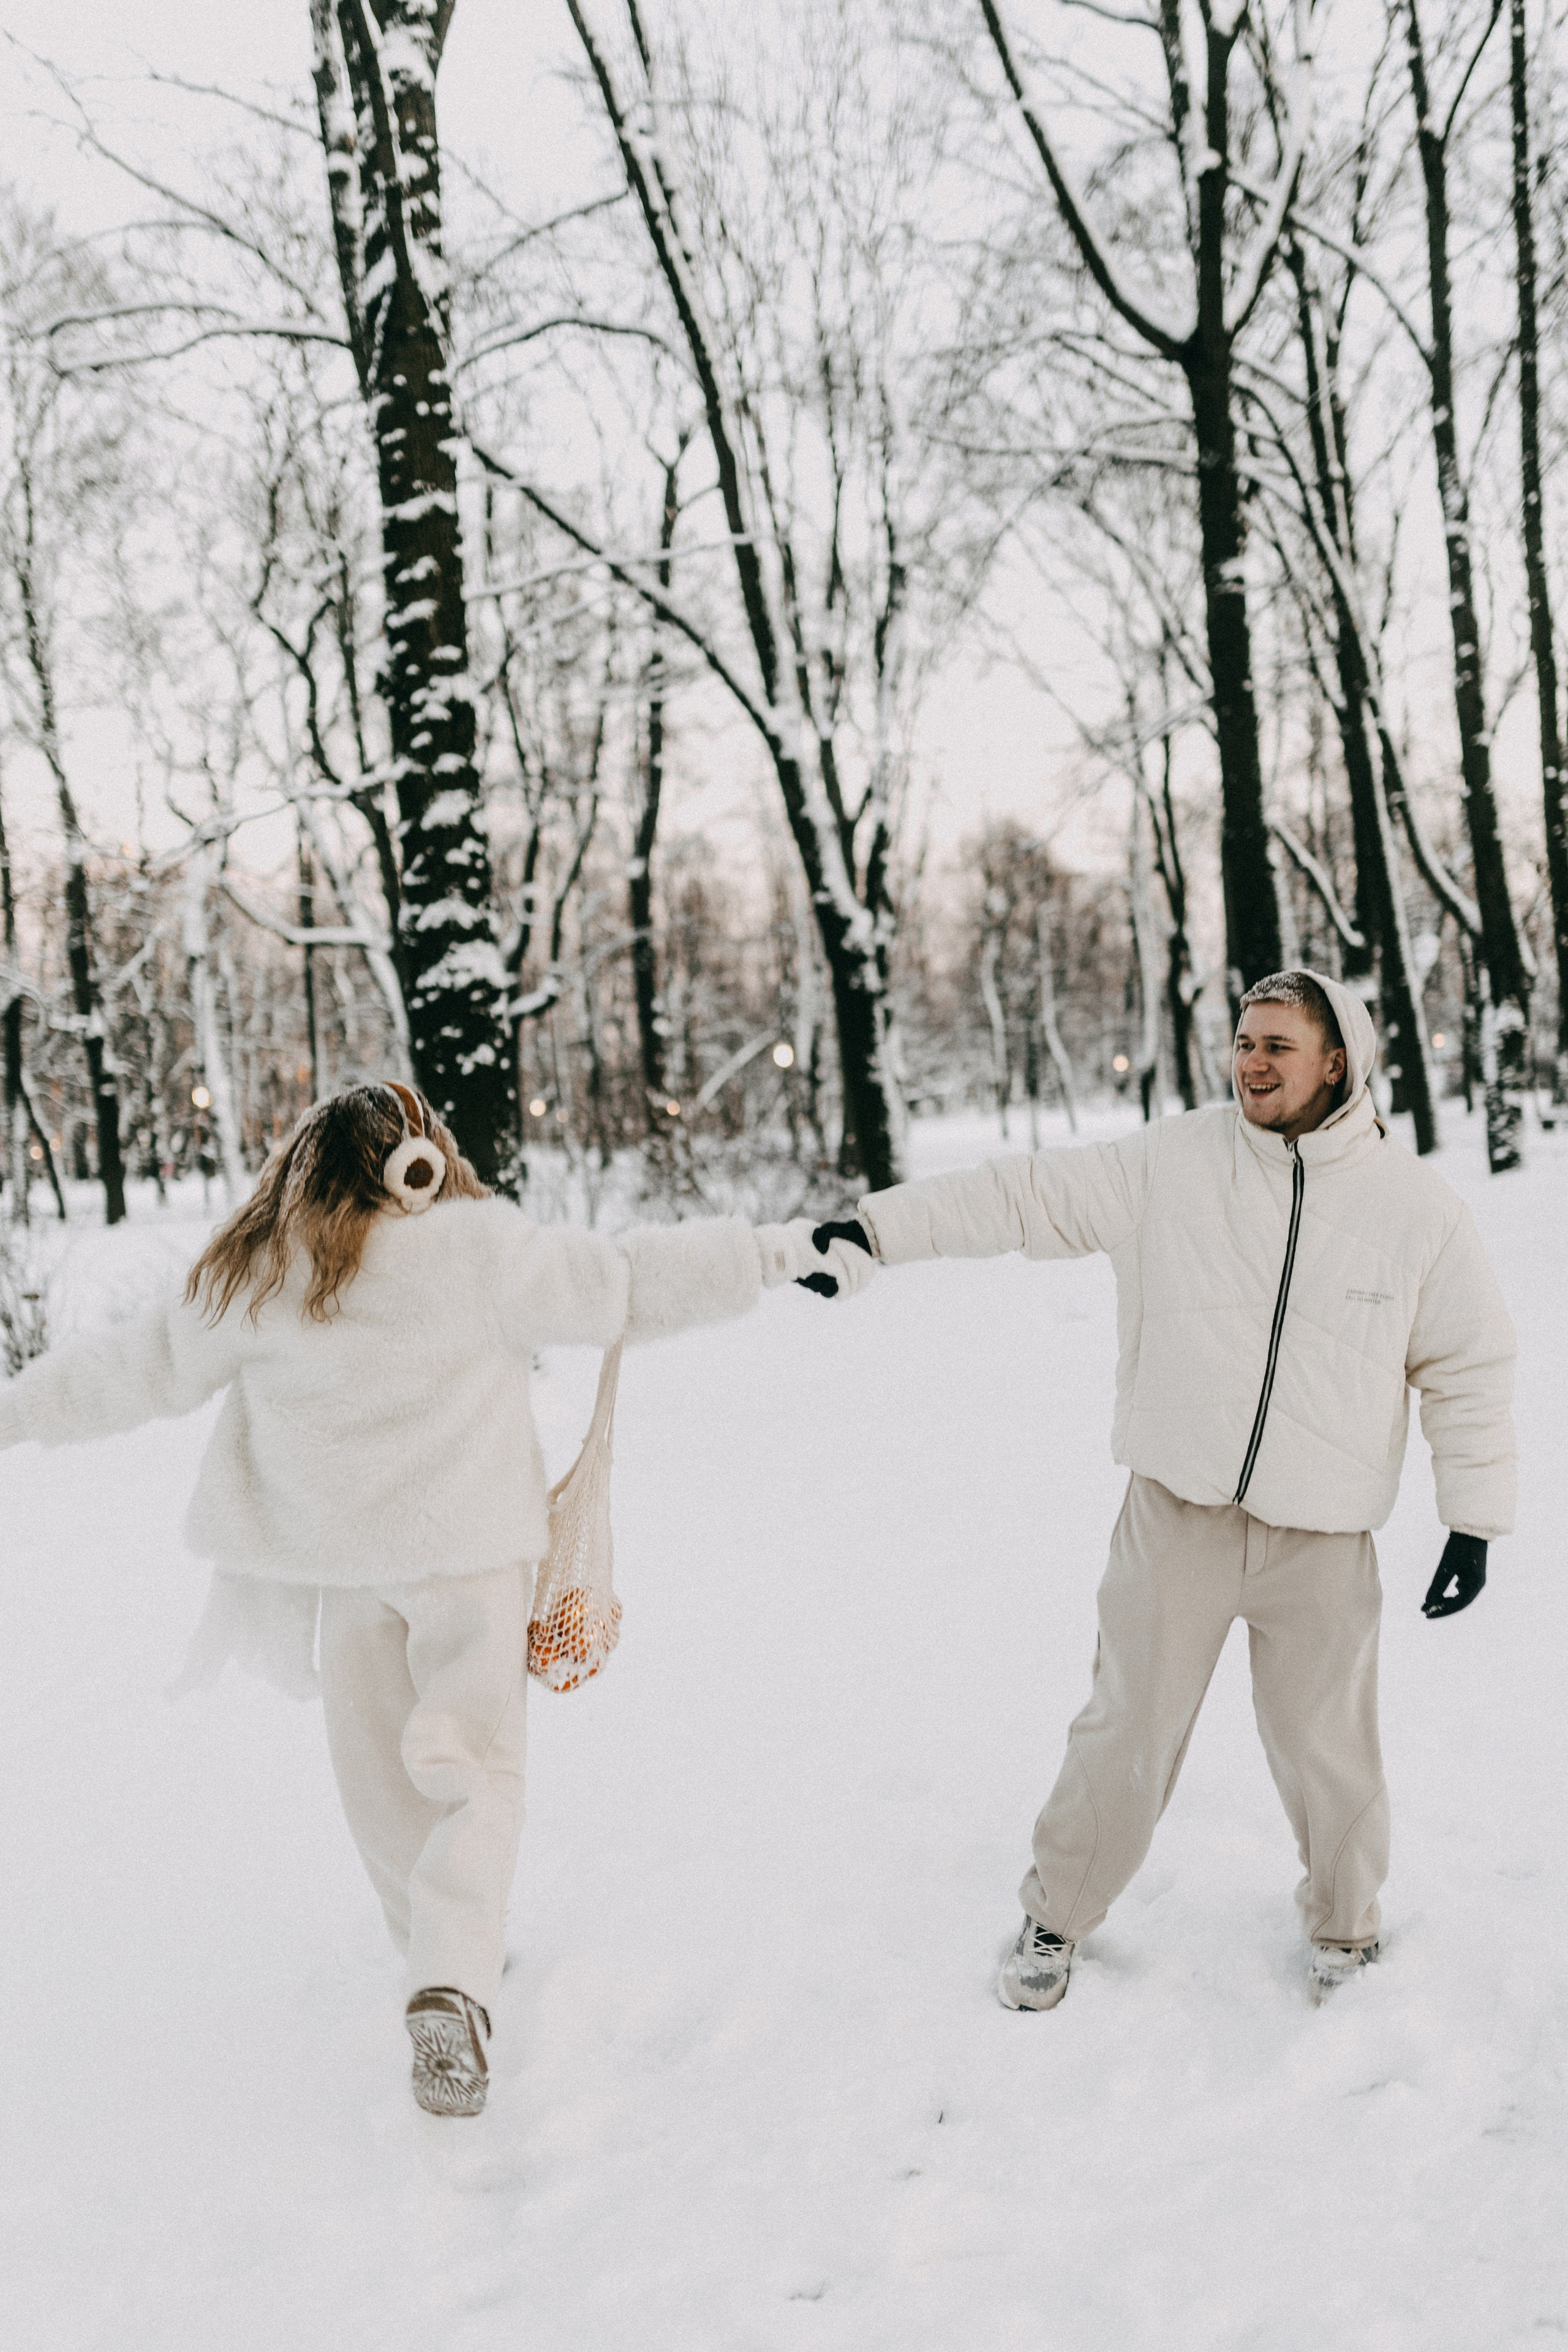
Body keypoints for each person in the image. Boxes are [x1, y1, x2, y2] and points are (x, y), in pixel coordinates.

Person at [0, 1080, 869, 2115]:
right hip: (471, 1564)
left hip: (348, 1574)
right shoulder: (476, 1250)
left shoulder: (262, 1276)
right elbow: (626, 1282)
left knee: (380, 1790)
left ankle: (435, 1958)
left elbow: (130, 1369)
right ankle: (453, 1976)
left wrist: (10, 1414)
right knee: (479, 1770)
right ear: (422, 1163)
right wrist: (773, 1254)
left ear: (306, 1170)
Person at [821, 971, 1515, 2007]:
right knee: (1126, 1728)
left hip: (1322, 1541)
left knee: (1331, 1752)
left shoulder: (1418, 1211)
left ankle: (1345, 1930)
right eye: (1244, 1040)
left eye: (1279, 1045)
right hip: (1176, 1515)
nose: (1252, 1062)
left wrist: (1472, 1521)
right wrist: (876, 1229)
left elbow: (1467, 1365)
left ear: (1340, 1062)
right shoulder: (1173, 1163)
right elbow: (1024, 1195)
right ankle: (1055, 1914)